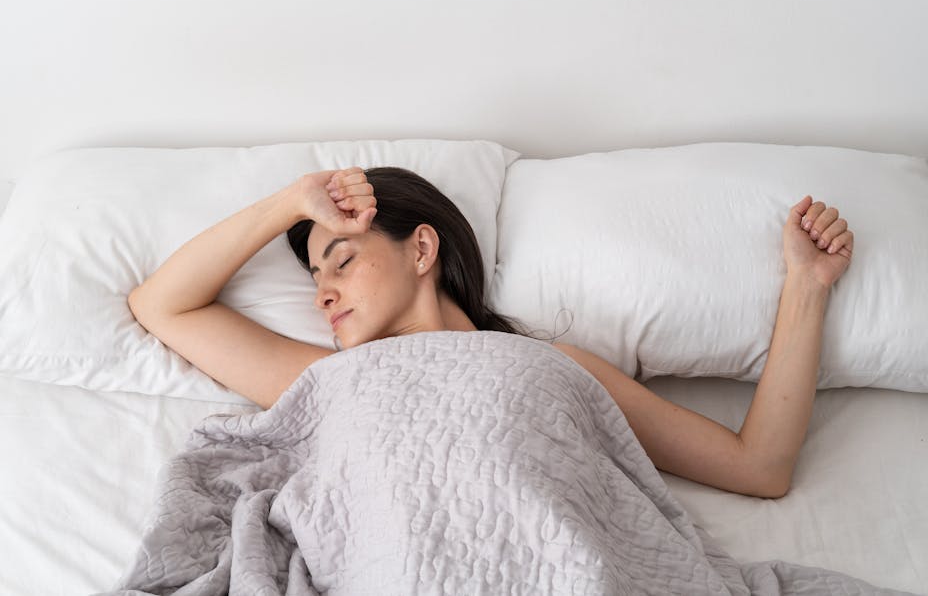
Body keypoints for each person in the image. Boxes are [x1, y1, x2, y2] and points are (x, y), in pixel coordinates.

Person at [127, 165, 853, 500]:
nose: (324, 292)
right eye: (316, 278)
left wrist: (806, 286)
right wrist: (288, 202)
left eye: (341, 260)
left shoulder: (548, 367)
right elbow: (164, 306)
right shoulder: (328, 382)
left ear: (420, 249)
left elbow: (758, 467)